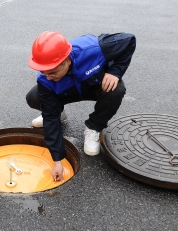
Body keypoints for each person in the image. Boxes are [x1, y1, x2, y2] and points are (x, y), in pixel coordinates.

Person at [26, 31, 136, 182]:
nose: (48, 77)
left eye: (53, 72)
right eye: (44, 72)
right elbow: (51, 120)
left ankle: (94, 127)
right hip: (66, 91)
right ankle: (60, 112)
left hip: (95, 84)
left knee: (116, 90)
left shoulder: (94, 49)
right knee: (34, 97)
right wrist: (57, 160)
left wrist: (115, 72)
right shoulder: (46, 80)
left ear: (67, 61)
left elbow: (129, 40)